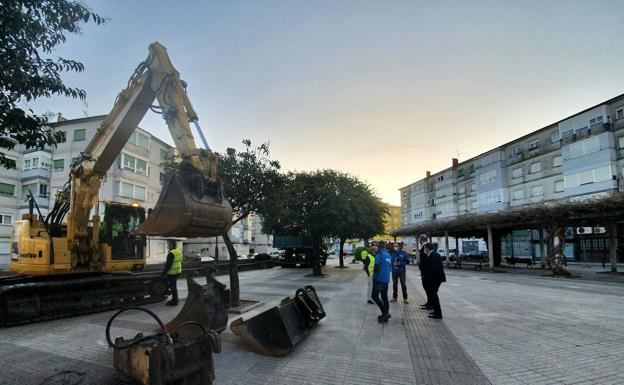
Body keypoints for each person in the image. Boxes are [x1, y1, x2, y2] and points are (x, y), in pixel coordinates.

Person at [423, 242, 446, 319]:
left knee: (434, 296)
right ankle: (436, 311)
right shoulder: (433, 254)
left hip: (435, 279)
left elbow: (433, 269)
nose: (424, 250)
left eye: (424, 248)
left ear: (427, 248)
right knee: (433, 295)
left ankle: (438, 314)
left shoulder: (434, 255)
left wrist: (428, 279)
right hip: (435, 279)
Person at [371, 240, 392, 323]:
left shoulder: (379, 255)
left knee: (374, 296)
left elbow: (376, 268)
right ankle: (385, 317)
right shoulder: (388, 255)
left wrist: (374, 278)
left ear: (379, 247)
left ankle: (385, 313)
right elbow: (389, 266)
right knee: (384, 297)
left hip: (379, 280)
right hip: (386, 279)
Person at [163, 239, 183, 306]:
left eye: (168, 244)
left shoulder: (171, 253)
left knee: (173, 287)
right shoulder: (178, 251)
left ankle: (175, 301)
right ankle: (175, 299)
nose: (167, 245)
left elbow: (168, 265)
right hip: (178, 271)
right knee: (173, 286)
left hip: (172, 273)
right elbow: (180, 261)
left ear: (171, 244)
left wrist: (164, 273)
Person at [418, 234, 432, 310]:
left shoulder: (425, 247)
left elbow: (425, 259)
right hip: (426, 270)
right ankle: (429, 302)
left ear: (421, 239)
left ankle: (430, 303)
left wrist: (422, 269)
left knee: (427, 286)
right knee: (427, 287)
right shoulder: (426, 245)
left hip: (426, 271)